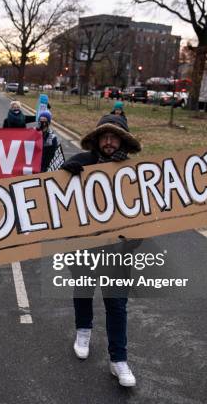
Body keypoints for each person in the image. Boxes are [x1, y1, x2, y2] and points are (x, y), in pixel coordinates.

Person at [61, 114, 142, 388]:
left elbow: (142, 216)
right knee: (83, 291)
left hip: (117, 253)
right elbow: (55, 197)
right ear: (97, 140)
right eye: (104, 136)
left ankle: (118, 360)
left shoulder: (132, 173)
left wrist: (129, 242)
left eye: (114, 136)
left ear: (123, 140)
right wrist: (65, 171)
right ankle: (83, 331)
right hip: (84, 247)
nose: (108, 141)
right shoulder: (82, 163)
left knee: (117, 305)